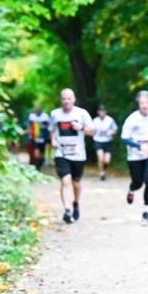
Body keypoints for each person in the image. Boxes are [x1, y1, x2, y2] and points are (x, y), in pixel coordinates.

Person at [49, 88, 94, 224]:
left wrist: (80, 127)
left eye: (69, 98)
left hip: (78, 154)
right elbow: (52, 130)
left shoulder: (82, 113)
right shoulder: (55, 114)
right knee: (65, 180)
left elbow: (92, 131)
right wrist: (53, 140)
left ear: (74, 99)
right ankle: (67, 210)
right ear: (61, 100)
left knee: (76, 183)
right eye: (64, 98)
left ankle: (75, 203)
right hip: (61, 153)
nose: (66, 101)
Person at [121, 91, 148, 224]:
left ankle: (146, 210)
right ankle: (132, 189)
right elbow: (124, 138)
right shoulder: (132, 119)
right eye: (142, 103)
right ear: (138, 104)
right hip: (135, 156)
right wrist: (138, 146)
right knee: (138, 182)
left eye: (147, 102)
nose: (145, 105)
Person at [92, 104, 118, 181]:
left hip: (107, 141)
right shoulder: (95, 121)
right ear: (98, 112)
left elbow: (115, 129)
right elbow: (91, 130)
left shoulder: (110, 120)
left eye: (103, 111)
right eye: (100, 111)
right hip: (98, 141)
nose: (102, 113)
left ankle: (103, 168)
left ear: (105, 112)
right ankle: (101, 172)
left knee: (107, 160)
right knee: (100, 158)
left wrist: (111, 133)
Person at [25, 105, 51, 171]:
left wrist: (43, 126)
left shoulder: (45, 116)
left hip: (43, 137)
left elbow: (49, 125)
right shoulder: (32, 116)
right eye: (36, 110)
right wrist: (29, 132)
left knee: (41, 152)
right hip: (34, 136)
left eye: (39, 110)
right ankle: (35, 164)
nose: (37, 111)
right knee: (35, 151)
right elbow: (29, 125)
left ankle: (39, 164)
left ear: (41, 110)